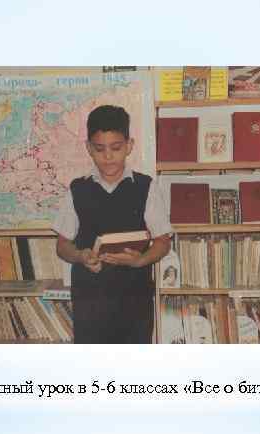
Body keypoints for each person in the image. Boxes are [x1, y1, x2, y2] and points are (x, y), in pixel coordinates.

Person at [52, 105, 172, 343]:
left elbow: (163, 242)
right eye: (99, 149)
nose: (108, 156)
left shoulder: (146, 187)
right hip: (90, 300)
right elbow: (62, 245)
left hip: (134, 299)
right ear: (89, 148)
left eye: (116, 148)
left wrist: (140, 260)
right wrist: (80, 256)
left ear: (129, 146)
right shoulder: (78, 189)